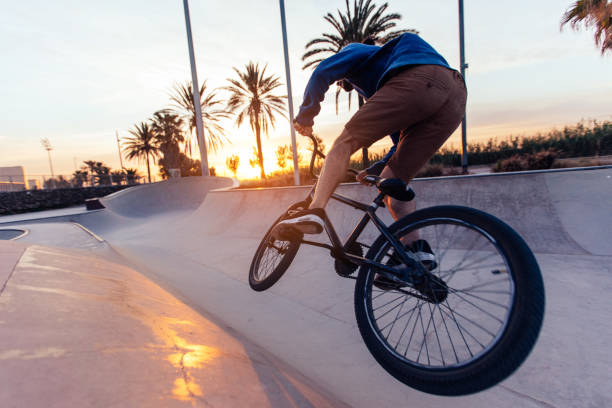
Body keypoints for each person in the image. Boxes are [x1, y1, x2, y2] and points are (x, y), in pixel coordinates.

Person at [272, 33, 467, 266]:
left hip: (422, 78)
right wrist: (379, 166)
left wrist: (305, 116)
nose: (346, 85)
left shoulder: (357, 51)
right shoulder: (386, 78)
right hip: (456, 99)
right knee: (393, 182)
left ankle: (315, 211)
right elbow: (399, 141)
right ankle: (415, 251)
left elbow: (322, 72)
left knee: (344, 142)